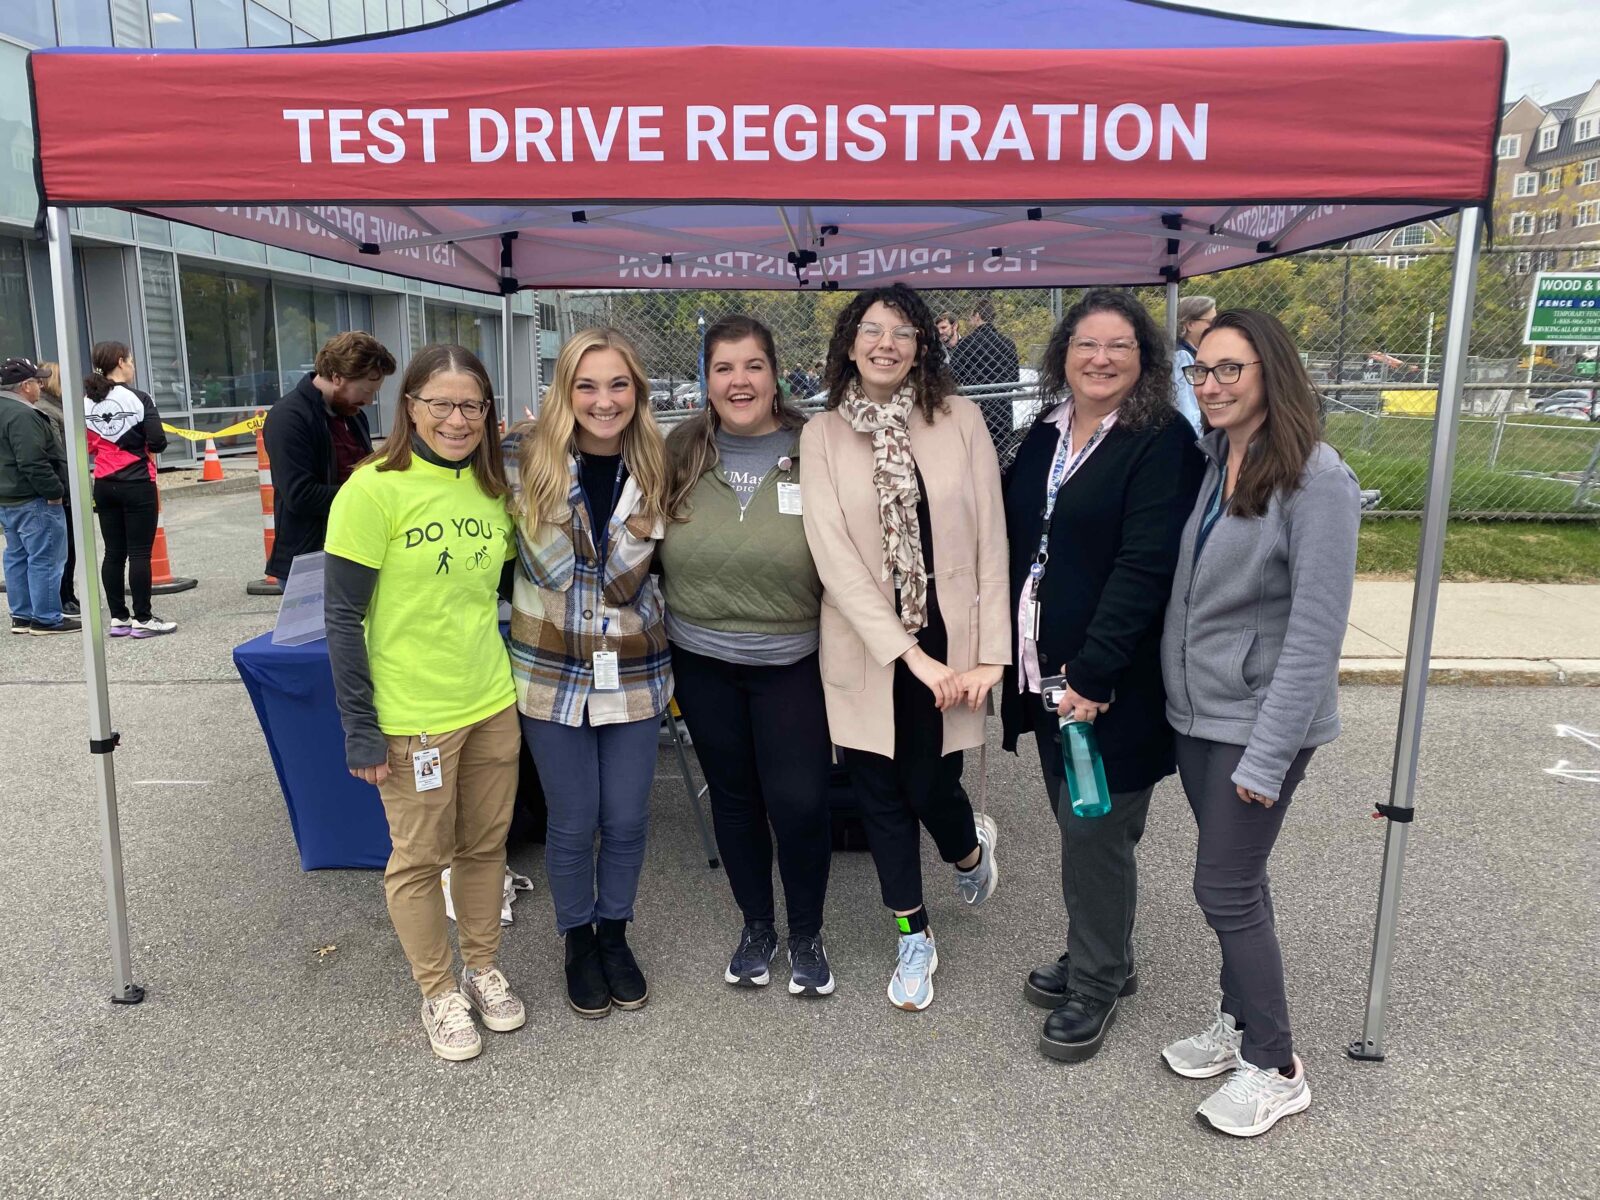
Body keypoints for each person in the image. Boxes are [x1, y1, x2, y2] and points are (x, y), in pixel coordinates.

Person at [1160, 310, 1360, 1137]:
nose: (1210, 385)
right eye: (1201, 370)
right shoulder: (1218, 458)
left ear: (1271, 372)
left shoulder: (1318, 481)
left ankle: (1276, 1064)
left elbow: (1315, 636)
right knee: (1239, 881)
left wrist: (1266, 760)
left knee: (1223, 885)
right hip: (1200, 715)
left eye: (1229, 370)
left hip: (1260, 725)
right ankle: (1238, 1023)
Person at [999, 289, 1204, 1064]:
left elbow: (1145, 565)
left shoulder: (1160, 441)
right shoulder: (1042, 433)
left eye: (1120, 345)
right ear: (1064, 353)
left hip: (1107, 682)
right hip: (1044, 673)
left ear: (1144, 359)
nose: (1102, 358)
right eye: (1087, 343)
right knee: (1084, 825)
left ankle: (1097, 979)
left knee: (1095, 829)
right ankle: (1102, 954)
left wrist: (1093, 670)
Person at [799, 283, 1009, 1012]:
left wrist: (992, 655)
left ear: (923, 345)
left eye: (903, 331)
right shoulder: (822, 434)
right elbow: (835, 561)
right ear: (849, 342)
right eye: (871, 329)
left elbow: (991, 543)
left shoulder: (961, 421)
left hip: (949, 638)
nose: (885, 343)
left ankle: (969, 850)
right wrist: (905, 653)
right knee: (878, 795)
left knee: (929, 787)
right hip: (863, 645)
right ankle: (912, 935)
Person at [324, 343, 524, 1062]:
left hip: (491, 701)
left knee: (484, 846)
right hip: (413, 716)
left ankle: (481, 966)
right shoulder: (372, 488)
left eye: (471, 404)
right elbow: (341, 617)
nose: (457, 418)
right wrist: (360, 727)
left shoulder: (494, 488)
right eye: (439, 403)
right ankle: (438, 990)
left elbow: (494, 592)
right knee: (418, 858)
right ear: (409, 407)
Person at [659, 315, 834, 996]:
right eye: (724, 368)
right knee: (733, 798)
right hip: (701, 657)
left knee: (799, 800)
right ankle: (757, 927)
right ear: (706, 380)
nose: (739, 381)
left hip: (792, 656)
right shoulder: (679, 451)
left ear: (775, 373)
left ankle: (807, 934)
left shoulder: (815, 447)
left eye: (752, 366)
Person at [506, 328, 672, 1020]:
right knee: (574, 821)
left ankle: (615, 931)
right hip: (548, 667)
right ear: (564, 391)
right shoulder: (520, 461)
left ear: (638, 392)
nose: (604, 402)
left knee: (627, 818)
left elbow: (647, 575)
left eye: (618, 385)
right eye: (587, 386)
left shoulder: (661, 466)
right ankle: (577, 939)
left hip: (632, 668)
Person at [262, 331, 396, 586]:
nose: (368, 401)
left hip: (357, 551)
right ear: (337, 377)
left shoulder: (353, 415)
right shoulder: (289, 417)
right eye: (365, 390)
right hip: (310, 559)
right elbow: (300, 495)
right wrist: (372, 495)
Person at [83, 342, 175, 638]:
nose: (133, 366)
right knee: (139, 553)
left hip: (104, 482)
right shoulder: (139, 398)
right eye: (131, 361)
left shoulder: (86, 399)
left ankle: (119, 618)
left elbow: (85, 444)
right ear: (121, 362)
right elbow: (158, 441)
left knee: (113, 552)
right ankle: (144, 618)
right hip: (136, 481)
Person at [0, 357, 76, 636]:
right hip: (33, 498)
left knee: (17, 557)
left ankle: (22, 615)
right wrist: (55, 492)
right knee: (45, 557)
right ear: (25, 385)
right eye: (36, 381)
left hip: (8, 499)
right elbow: (33, 461)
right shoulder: (24, 415)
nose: (41, 386)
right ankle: (45, 618)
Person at [35, 361, 79, 615]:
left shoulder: (60, 407)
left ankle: (68, 594)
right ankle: (63, 597)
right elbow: (57, 452)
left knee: (70, 545)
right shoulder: (47, 410)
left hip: (67, 484)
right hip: (61, 486)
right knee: (62, 547)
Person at [949, 298, 1021, 451]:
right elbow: (1015, 378)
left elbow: (953, 375)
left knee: (976, 452)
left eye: (971, 316)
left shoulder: (966, 344)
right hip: (1003, 409)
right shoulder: (1007, 344)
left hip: (977, 406)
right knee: (1002, 453)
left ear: (977, 316)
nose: (970, 320)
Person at [1170, 294, 1216, 436]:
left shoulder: (1190, 353)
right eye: (1211, 322)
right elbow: (1187, 408)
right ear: (1190, 325)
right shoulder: (1182, 356)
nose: (1215, 327)